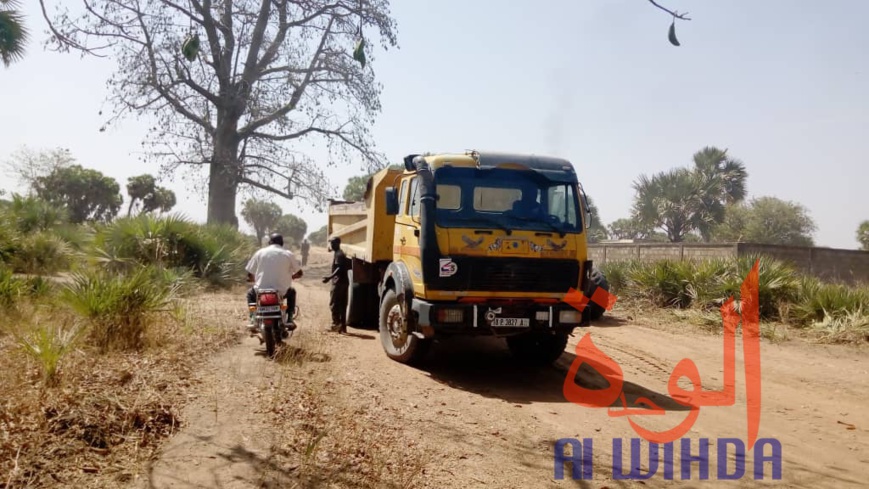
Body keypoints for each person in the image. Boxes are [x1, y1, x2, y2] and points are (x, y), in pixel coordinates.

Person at [246, 233, 303, 333]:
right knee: (292, 292)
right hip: (281, 291)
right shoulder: (288, 254)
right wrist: (292, 276)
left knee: (250, 293)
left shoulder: (260, 252)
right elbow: (299, 273)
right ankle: (289, 318)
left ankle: (253, 317)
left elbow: (250, 274)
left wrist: (254, 280)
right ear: (282, 243)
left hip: (260, 290)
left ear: (269, 243)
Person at [322, 237, 351, 333]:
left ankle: (336, 324)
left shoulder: (339, 254)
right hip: (344, 282)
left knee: (334, 304)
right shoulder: (340, 253)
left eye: (333, 243)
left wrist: (329, 277)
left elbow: (339, 268)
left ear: (338, 243)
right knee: (342, 305)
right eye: (331, 243)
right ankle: (343, 327)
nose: (332, 245)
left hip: (338, 283)